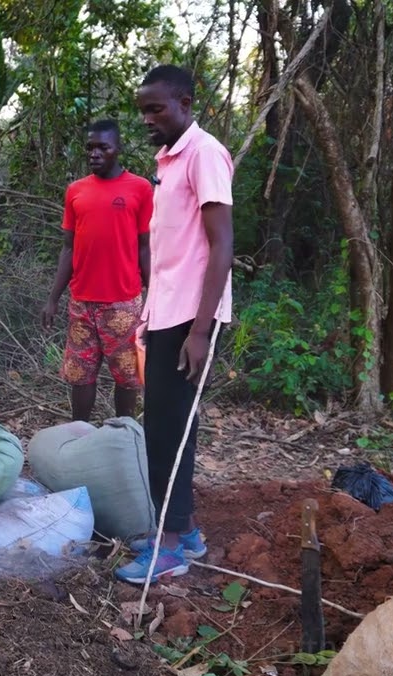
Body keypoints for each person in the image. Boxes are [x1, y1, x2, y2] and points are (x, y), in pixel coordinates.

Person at [115, 65, 234, 585]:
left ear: (185, 102)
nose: (147, 118)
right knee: (169, 426)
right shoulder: (168, 160)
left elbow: (222, 244)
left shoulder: (204, 153)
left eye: (155, 108)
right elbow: (171, 251)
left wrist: (201, 331)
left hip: (192, 317)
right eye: (142, 110)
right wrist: (149, 315)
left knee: (167, 430)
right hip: (168, 314)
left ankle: (167, 550)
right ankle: (183, 531)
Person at [42, 118, 153, 422]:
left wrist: (154, 299)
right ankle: (80, 435)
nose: (94, 153)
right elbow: (69, 248)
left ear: (118, 149)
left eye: (103, 147)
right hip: (82, 303)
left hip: (123, 304)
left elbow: (145, 246)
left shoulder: (140, 189)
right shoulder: (76, 191)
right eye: (90, 147)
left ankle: (123, 434)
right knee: (81, 376)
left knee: (127, 378)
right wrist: (53, 298)